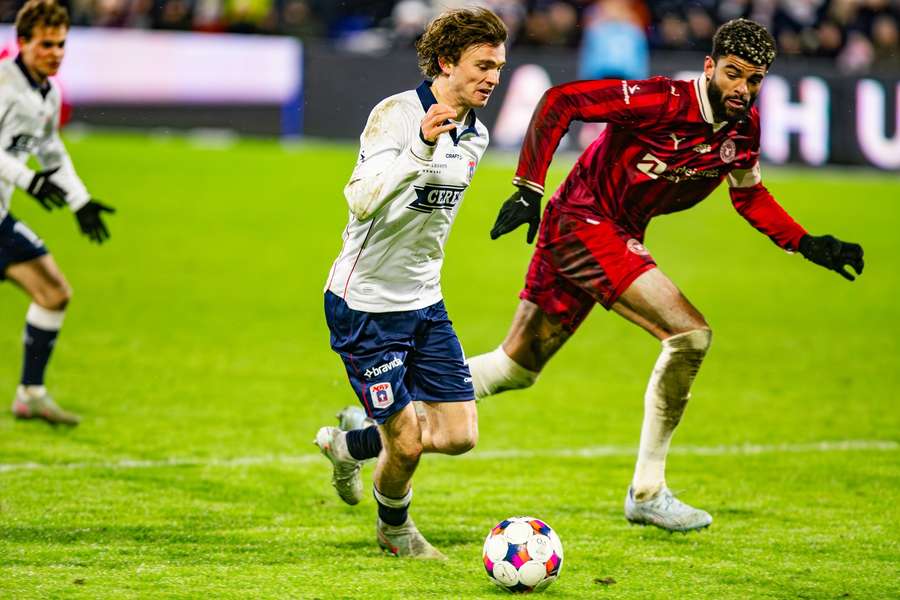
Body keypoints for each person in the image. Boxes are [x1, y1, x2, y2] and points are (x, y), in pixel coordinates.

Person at [470, 17, 864, 532]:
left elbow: (748, 195)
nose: (742, 89)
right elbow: (561, 101)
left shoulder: (743, 127)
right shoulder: (660, 100)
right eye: (733, 74)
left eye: (755, 80)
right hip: (585, 222)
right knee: (690, 336)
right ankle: (648, 490)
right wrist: (528, 187)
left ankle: (374, 421)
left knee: (515, 368)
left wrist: (806, 242)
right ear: (709, 67)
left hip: (598, 230)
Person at [315, 7, 507, 559]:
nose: (493, 78)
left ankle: (348, 443)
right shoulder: (396, 115)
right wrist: (419, 148)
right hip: (365, 305)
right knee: (406, 442)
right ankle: (394, 531)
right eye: (483, 65)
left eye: (498, 66)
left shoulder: (476, 133)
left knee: (457, 435)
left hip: (424, 302)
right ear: (446, 62)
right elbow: (361, 200)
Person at [2, 0, 115, 426]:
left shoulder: (49, 92)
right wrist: (27, 181)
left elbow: (50, 151)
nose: (55, 53)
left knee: (53, 294)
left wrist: (79, 200)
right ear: (23, 43)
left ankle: (30, 394)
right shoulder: (3, 84)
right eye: (46, 44)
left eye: (61, 44)